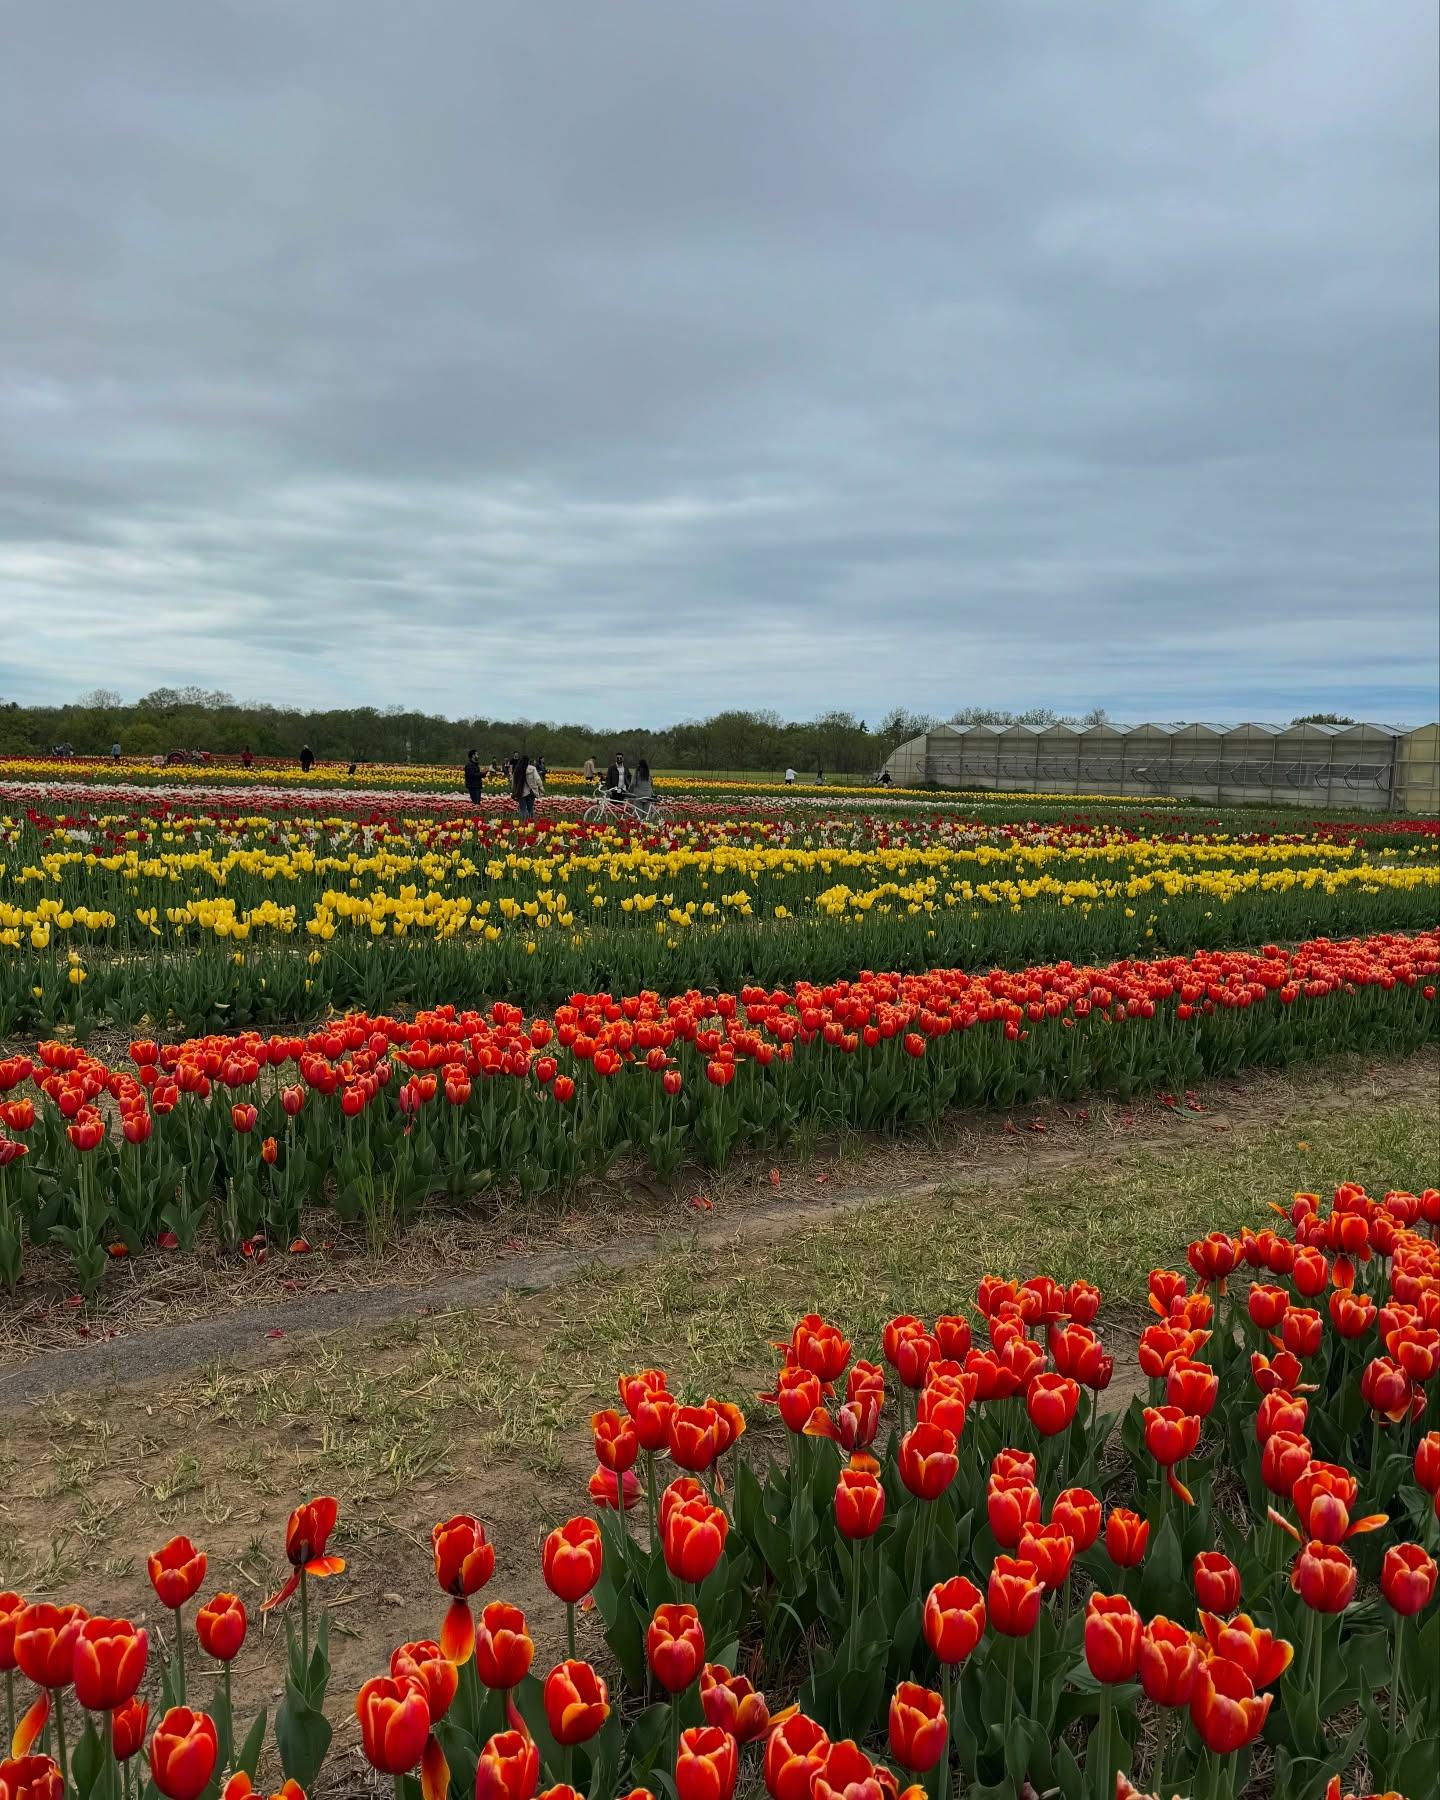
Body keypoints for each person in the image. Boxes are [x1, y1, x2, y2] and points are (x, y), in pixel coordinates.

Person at [513, 752, 543, 820]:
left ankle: (523, 823)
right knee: (530, 809)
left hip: (521, 792)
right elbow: (537, 779)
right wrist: (541, 788)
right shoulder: (532, 769)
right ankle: (530, 823)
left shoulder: (517, 769)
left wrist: (514, 791)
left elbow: (514, 781)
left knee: (522, 809)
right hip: (531, 792)